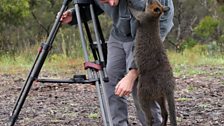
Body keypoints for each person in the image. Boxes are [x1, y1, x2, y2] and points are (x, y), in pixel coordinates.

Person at [60, 0, 174, 125]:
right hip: (119, 35)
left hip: (147, 36)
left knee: (141, 84)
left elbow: (163, 24)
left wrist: (132, 74)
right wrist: (74, 15)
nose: (111, 3)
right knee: (111, 79)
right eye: (105, 2)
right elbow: (94, 7)